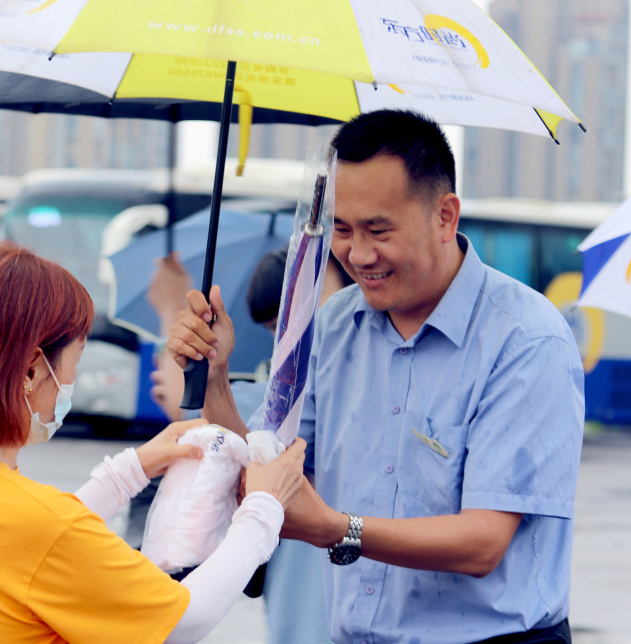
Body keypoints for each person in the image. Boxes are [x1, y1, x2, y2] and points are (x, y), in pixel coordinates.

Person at [168, 110, 585, 644]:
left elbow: (484, 541)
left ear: (445, 216)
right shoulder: (336, 324)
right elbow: (271, 471)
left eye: (378, 230)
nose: (359, 255)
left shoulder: (525, 341)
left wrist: (339, 529)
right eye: (341, 229)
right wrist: (218, 378)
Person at [0, 241, 306, 643]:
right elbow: (182, 620)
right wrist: (263, 510)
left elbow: (25, 553)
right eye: (74, 361)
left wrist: (128, 472)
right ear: (29, 372)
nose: (71, 380)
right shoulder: (33, 521)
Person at [146, 248, 351, 644]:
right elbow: (236, 446)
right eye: (280, 328)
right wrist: (211, 370)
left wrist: (173, 303)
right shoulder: (287, 391)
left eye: (319, 299)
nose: (304, 327)